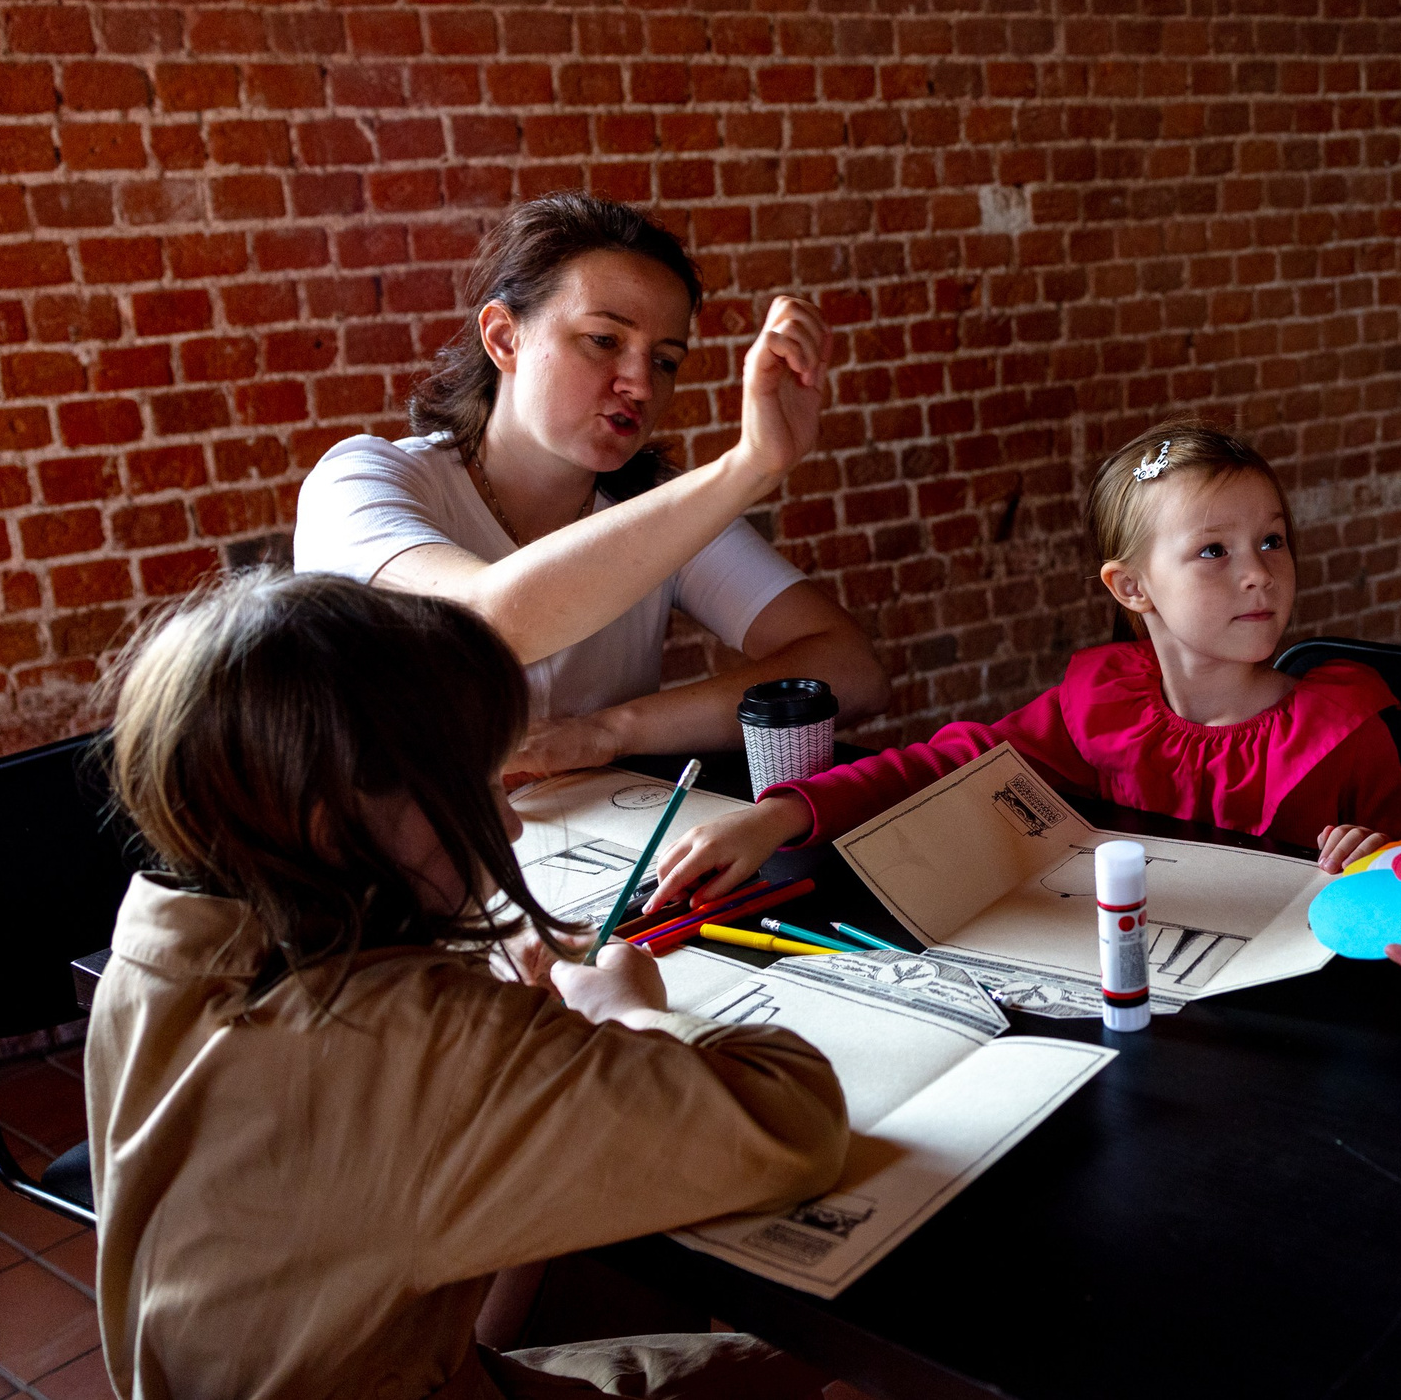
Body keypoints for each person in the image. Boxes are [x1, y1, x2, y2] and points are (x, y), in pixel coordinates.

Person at [86, 570, 851, 1398]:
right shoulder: (411, 1041)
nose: (512, 822)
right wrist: (627, 1015)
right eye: (477, 788)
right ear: (332, 823)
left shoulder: (155, 957)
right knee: (848, 1376)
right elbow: (793, 1116)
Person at [654, 421, 1401, 902]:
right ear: (1132, 588)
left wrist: (1383, 858)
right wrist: (778, 814)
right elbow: (946, 761)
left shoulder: (1341, 731)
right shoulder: (1101, 705)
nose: (1258, 571)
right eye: (1213, 550)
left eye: (1272, 540)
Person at [293, 193, 886, 780]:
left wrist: (608, 732)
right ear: (504, 338)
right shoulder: (361, 482)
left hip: (610, 853)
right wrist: (747, 467)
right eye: (604, 340)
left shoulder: (655, 504)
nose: (640, 385)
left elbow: (852, 670)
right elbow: (483, 627)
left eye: (665, 359)